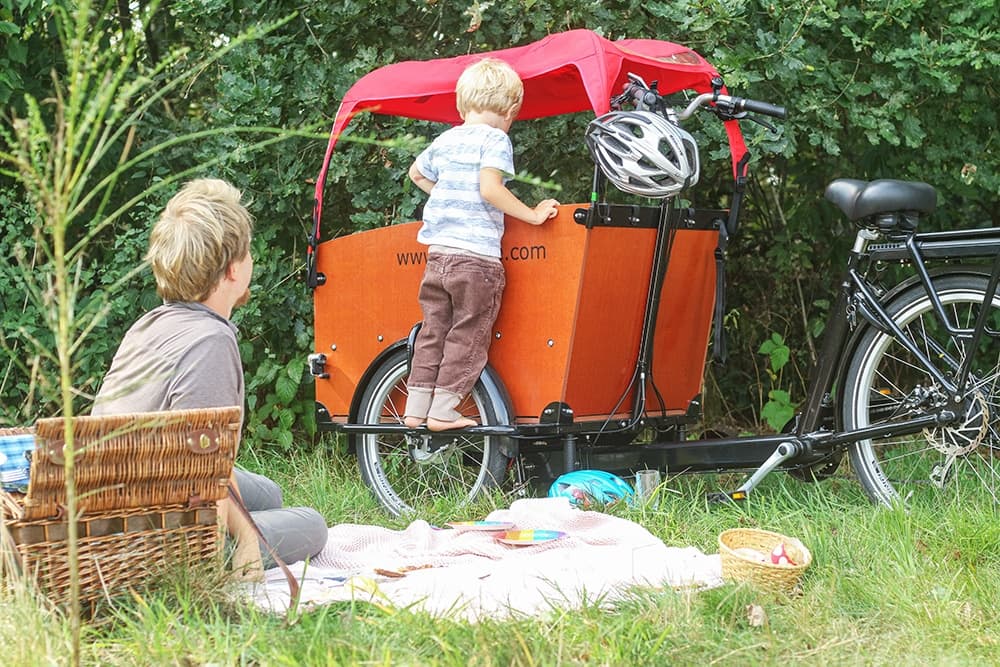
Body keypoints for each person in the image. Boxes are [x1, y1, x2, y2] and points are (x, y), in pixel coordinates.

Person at [92, 178, 327, 578]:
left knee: (269, 493)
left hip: (113, 489)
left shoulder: (150, 323)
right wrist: (248, 542)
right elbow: (200, 469)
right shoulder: (211, 341)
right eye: (249, 251)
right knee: (312, 525)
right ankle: (211, 557)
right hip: (155, 525)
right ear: (234, 270)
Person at [403, 57, 559, 431]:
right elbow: (490, 190)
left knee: (433, 330)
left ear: (462, 105)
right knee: (469, 332)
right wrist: (533, 214)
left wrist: (447, 194)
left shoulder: (447, 138)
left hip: (438, 256)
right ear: (509, 111)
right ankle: (443, 409)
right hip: (475, 259)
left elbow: (416, 173)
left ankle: (415, 406)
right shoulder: (495, 139)